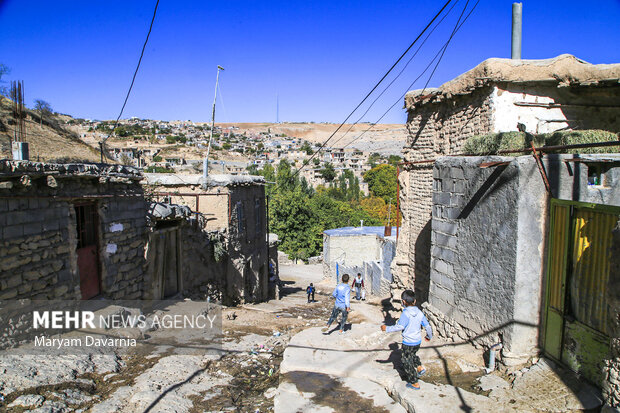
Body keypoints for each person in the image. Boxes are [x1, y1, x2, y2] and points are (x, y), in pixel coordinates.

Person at [381, 290, 432, 390]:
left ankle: (414, 382)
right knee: (412, 355)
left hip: (408, 342)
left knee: (406, 360)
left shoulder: (405, 314)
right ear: (415, 301)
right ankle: (419, 367)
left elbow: (399, 326)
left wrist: (387, 328)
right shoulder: (420, 313)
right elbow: (428, 326)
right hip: (417, 341)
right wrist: (429, 336)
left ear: (403, 302)